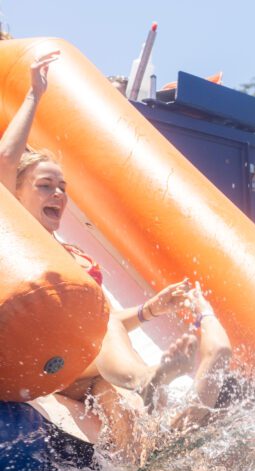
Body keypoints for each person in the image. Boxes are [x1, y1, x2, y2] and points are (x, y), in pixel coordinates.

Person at [0, 51, 194, 408]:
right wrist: (33, 95)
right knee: (106, 341)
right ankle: (143, 378)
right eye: (45, 185)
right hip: (20, 355)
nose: (58, 193)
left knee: (121, 402)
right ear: (15, 190)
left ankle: (166, 443)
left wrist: (149, 310)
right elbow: (4, 161)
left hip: (68, 366)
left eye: (63, 188)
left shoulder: (78, 258)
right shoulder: (9, 232)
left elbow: (102, 322)